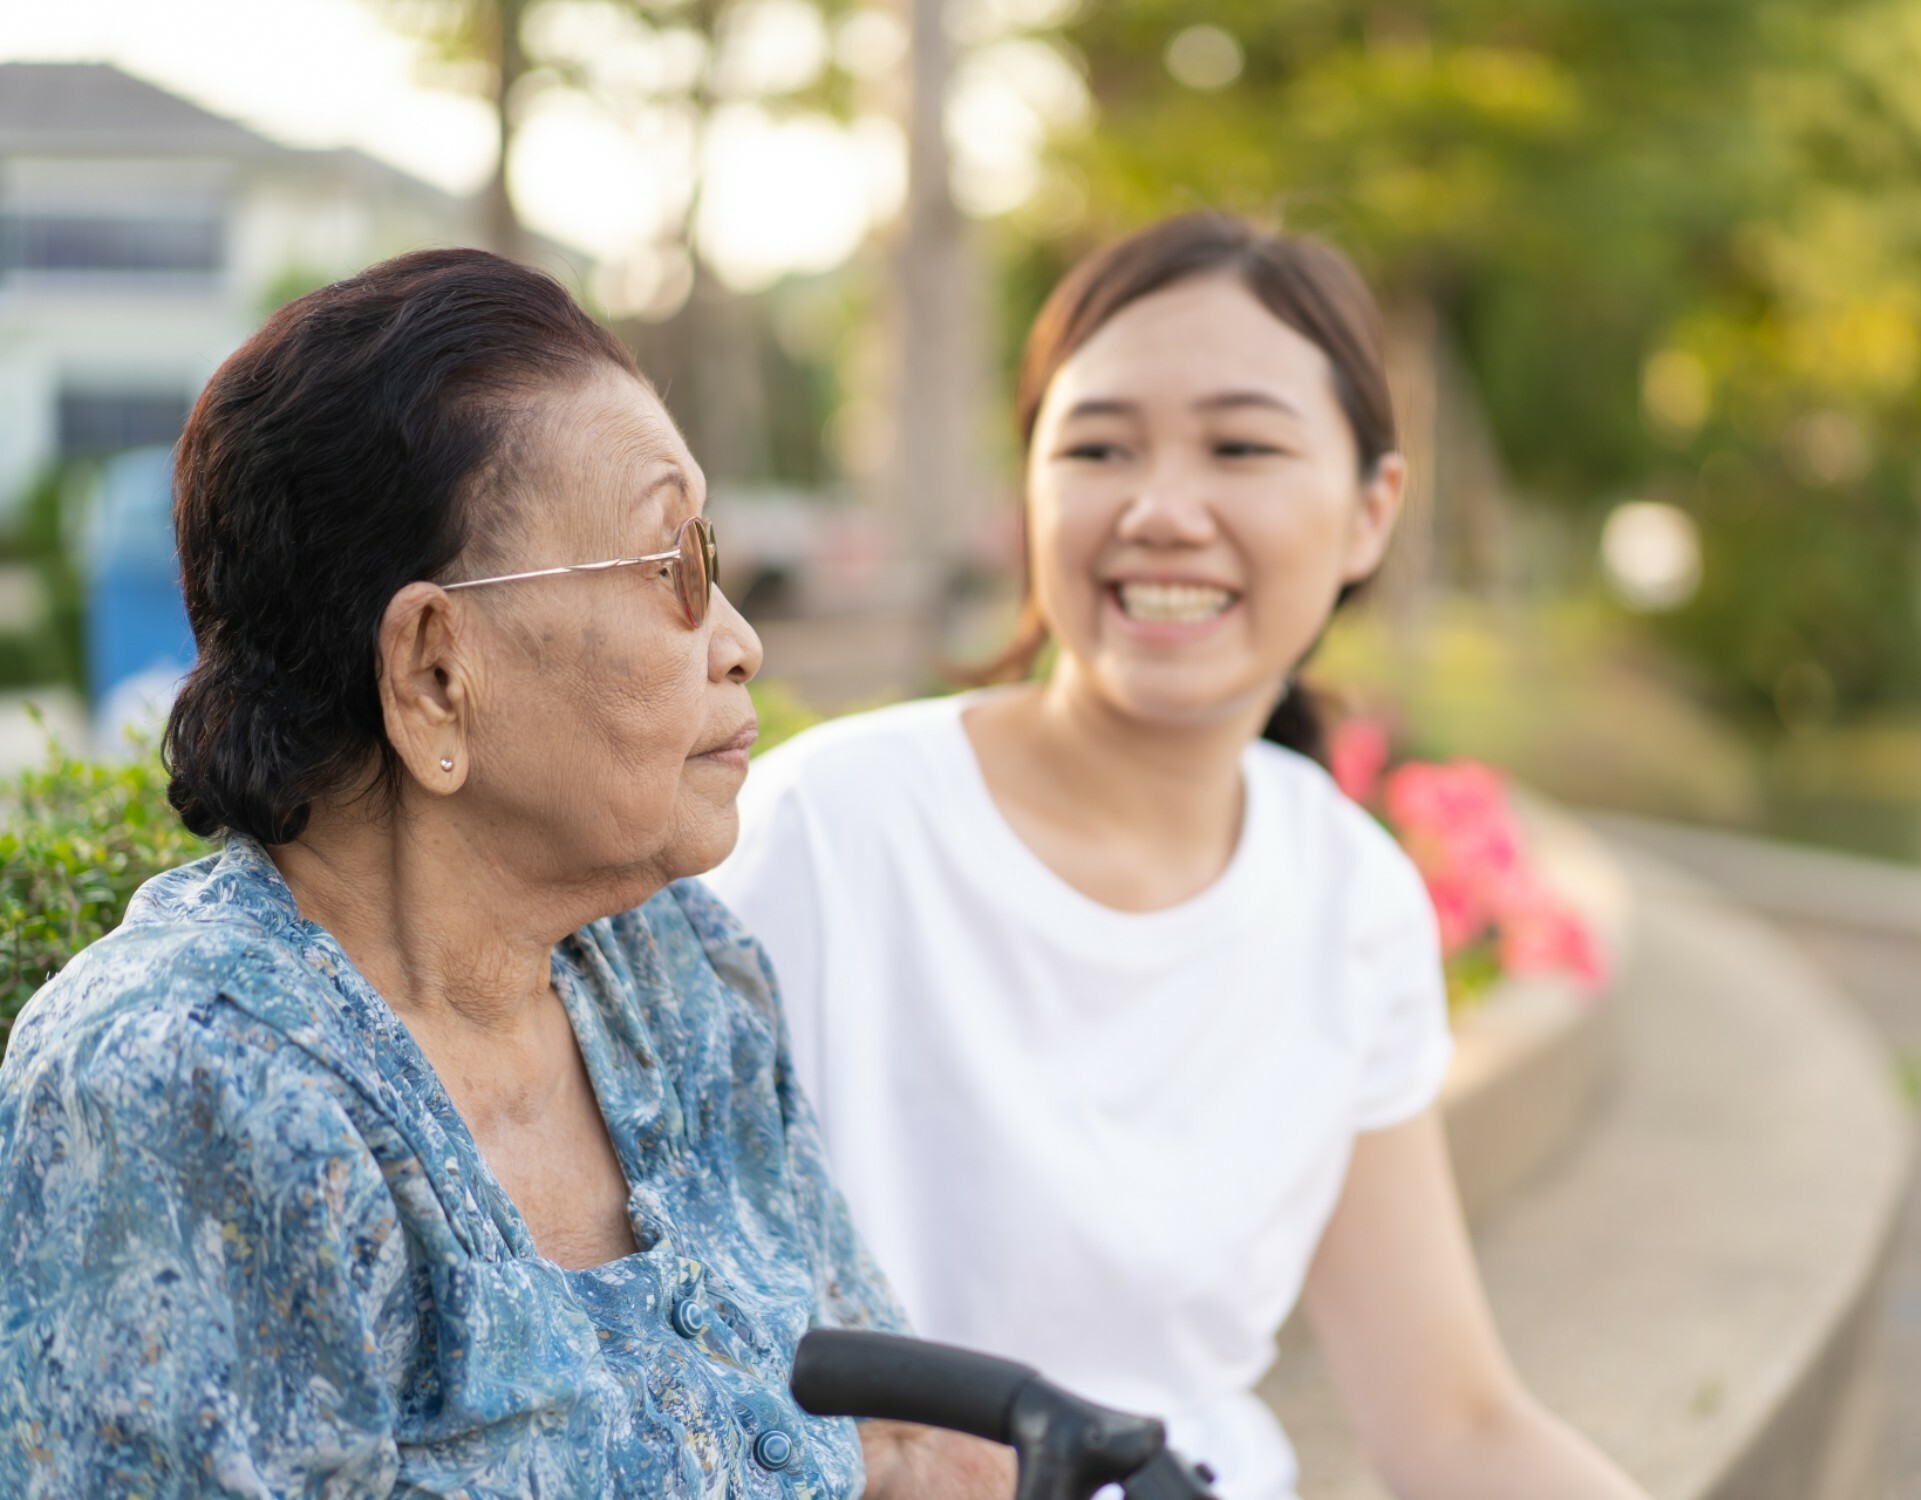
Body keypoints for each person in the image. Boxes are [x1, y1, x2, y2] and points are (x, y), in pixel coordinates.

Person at [0, 249, 1008, 1500]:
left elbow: (901, 1439)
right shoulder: (182, 1084)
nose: (739, 643)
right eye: (672, 569)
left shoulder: (673, 967)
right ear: (434, 667)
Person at [707, 214, 1649, 1500]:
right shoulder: (826, 828)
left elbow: (1454, 1424)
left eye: (1240, 446)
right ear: (1028, 494)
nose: (1158, 510)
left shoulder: (1345, 893)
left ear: (1371, 512)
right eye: (1096, 446)